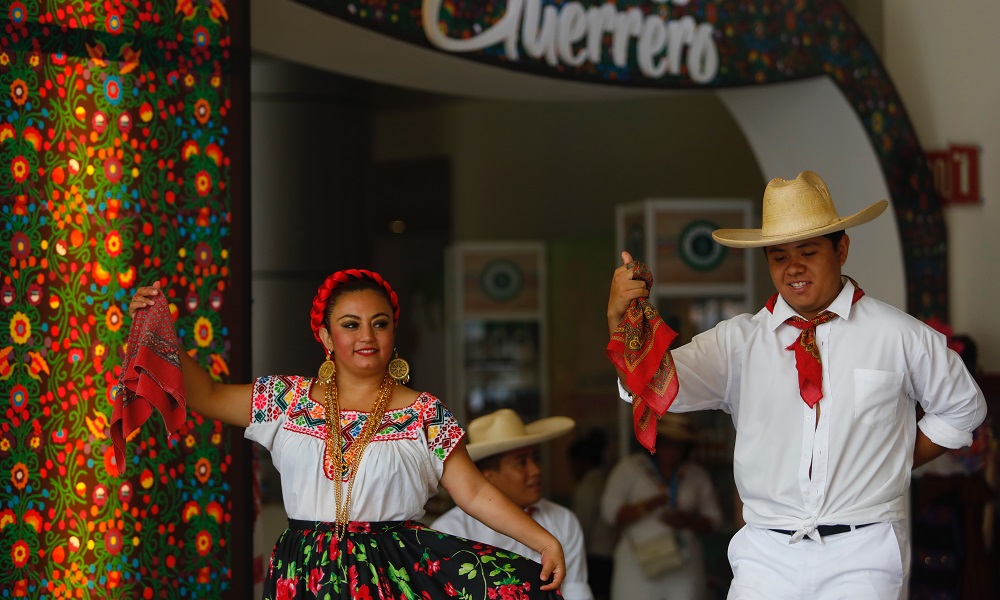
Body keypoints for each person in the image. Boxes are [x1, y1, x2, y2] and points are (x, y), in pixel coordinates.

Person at [605, 171, 987, 600]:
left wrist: (892, 461)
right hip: (765, 553)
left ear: (841, 249)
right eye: (779, 256)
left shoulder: (897, 334)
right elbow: (651, 383)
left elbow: (963, 408)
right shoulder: (738, 343)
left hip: (864, 551)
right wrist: (620, 320)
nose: (794, 268)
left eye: (808, 251)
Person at [127, 269, 565, 599]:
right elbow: (206, 394)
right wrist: (155, 329)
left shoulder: (424, 412)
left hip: (394, 571)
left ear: (394, 331)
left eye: (380, 323)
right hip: (303, 572)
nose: (366, 336)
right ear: (325, 335)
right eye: (351, 324)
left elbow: (472, 492)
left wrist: (543, 540)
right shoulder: (287, 399)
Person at [431, 408, 594, 600]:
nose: (536, 470)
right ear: (488, 478)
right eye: (521, 463)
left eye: (535, 459)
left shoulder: (563, 519)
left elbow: (575, 590)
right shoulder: (449, 531)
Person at [601, 412, 722, 600]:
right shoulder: (630, 468)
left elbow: (714, 520)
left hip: (684, 564)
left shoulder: (696, 475)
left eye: (679, 444)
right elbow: (610, 515)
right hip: (637, 565)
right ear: (655, 440)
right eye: (667, 442)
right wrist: (649, 505)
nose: (672, 450)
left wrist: (687, 520)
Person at [567, 429, 617, 600]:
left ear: (581, 462)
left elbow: (580, 527)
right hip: (610, 554)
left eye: (571, 463)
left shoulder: (586, 488)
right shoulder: (607, 481)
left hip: (595, 557)